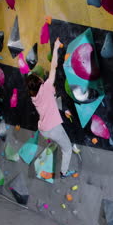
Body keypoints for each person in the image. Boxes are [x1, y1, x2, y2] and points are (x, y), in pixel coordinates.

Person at [25, 38, 77, 179]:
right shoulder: (46, 87)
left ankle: (61, 141)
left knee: (60, 138)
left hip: (44, 129)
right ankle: (64, 172)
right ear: (40, 81)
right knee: (67, 150)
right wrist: (55, 48)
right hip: (53, 129)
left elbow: (50, 101)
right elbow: (53, 66)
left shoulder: (34, 96)